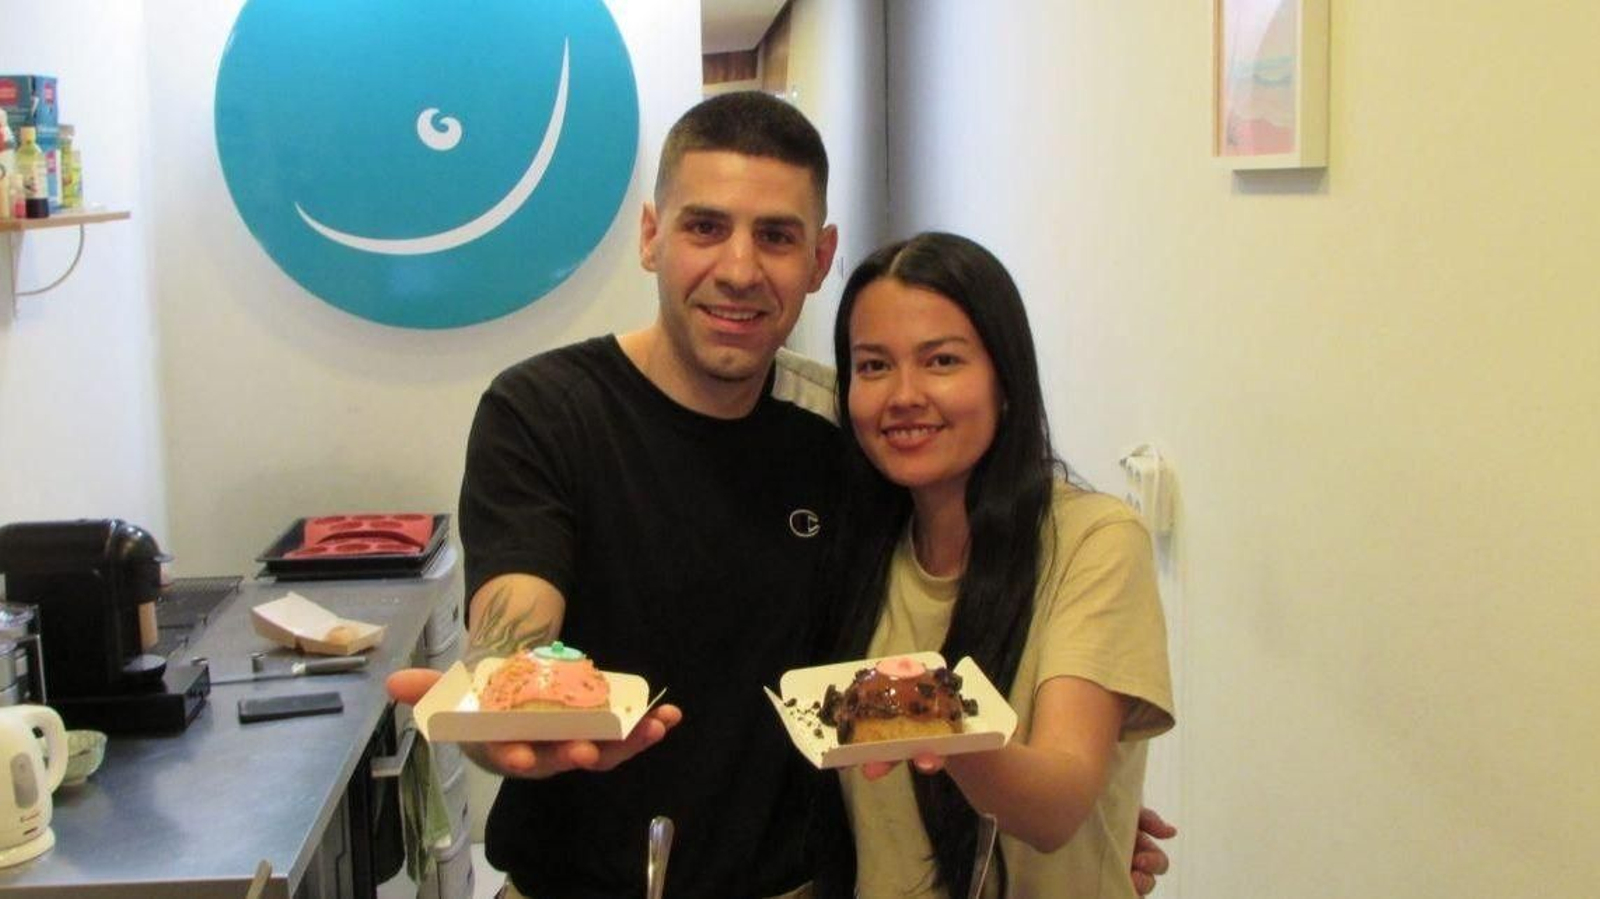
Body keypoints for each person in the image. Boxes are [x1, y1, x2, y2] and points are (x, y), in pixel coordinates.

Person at [383, 92, 1174, 898]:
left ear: (820, 257)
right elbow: (516, 619)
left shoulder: (847, 437)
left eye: (776, 236)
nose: (738, 268)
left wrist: (1079, 812)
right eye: (704, 226)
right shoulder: (546, 411)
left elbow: (969, 614)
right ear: (653, 236)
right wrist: (506, 714)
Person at [814, 232, 1175, 898]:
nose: (904, 395)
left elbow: (1057, 804)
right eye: (872, 366)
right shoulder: (856, 546)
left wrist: (935, 727)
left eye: (942, 360)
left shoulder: (1094, 541)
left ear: (1005, 379)